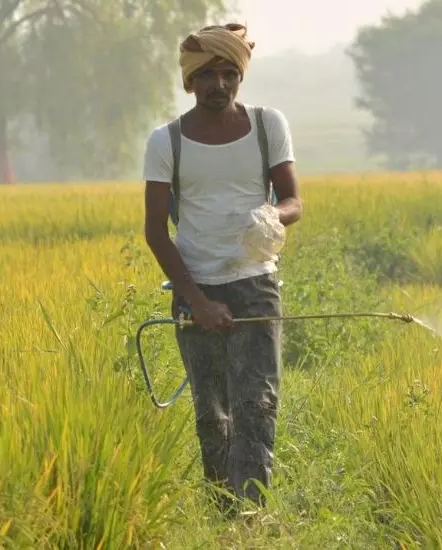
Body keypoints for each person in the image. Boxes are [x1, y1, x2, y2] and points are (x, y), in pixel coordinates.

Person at [142, 22, 303, 515]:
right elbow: (155, 231)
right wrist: (198, 302)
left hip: (256, 285)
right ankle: (223, 516)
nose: (219, 84)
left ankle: (250, 516)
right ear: (190, 82)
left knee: (258, 405)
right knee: (213, 414)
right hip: (196, 288)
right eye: (207, 74)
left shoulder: (267, 125)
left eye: (229, 73)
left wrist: (273, 215)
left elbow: (293, 199)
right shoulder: (166, 141)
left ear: (240, 77)